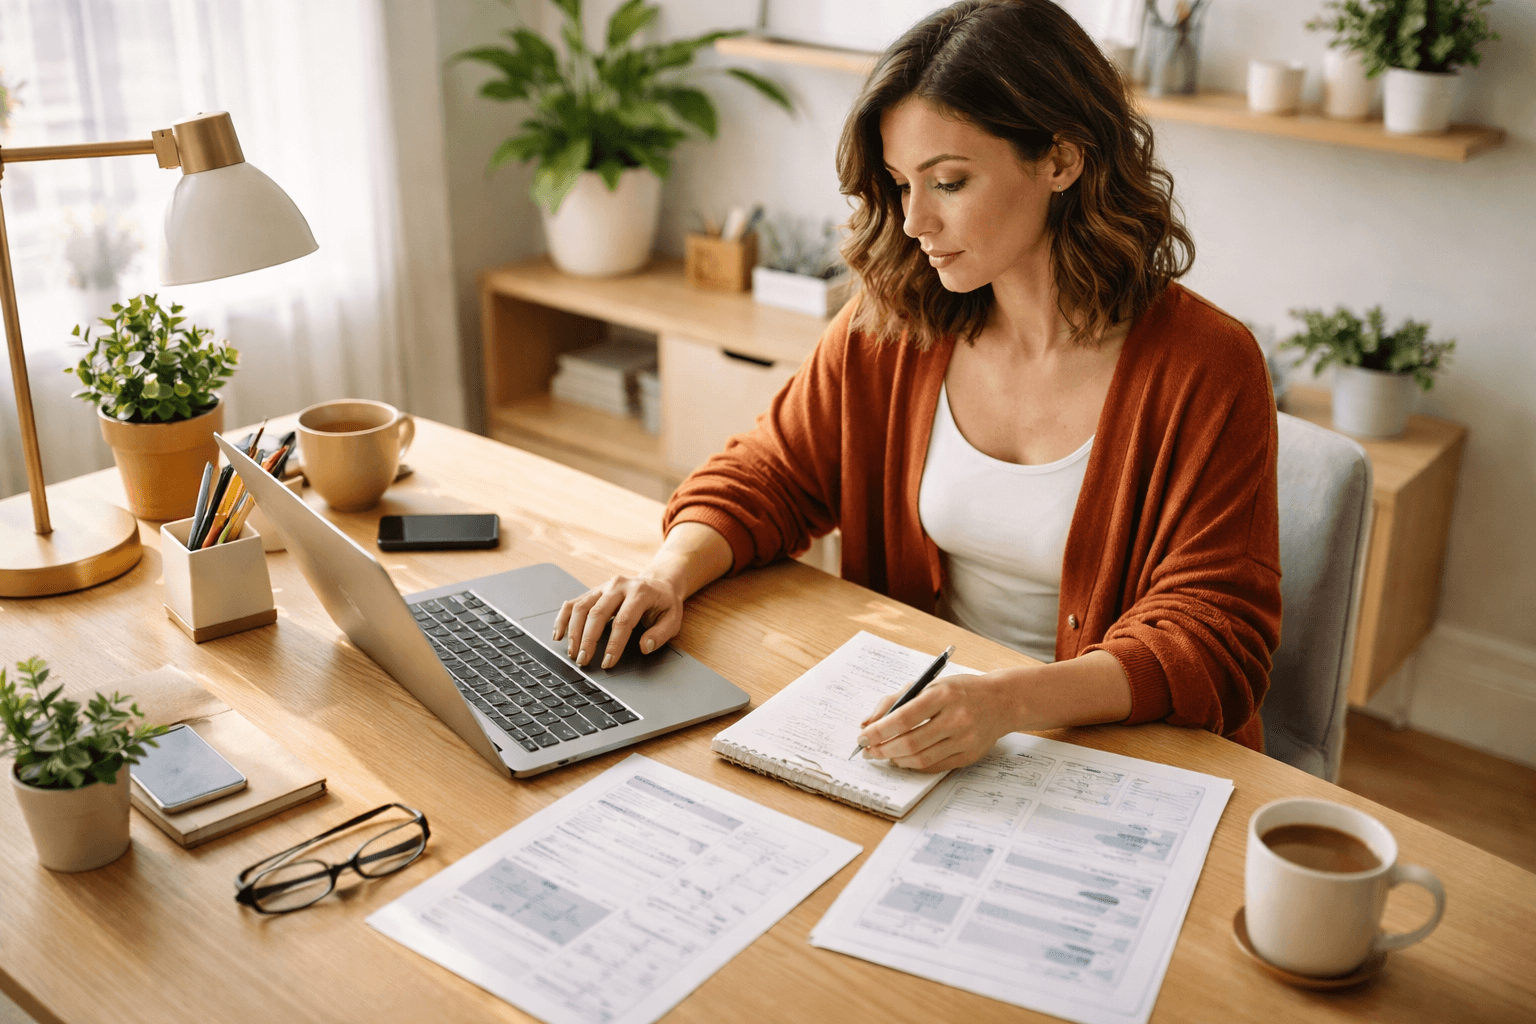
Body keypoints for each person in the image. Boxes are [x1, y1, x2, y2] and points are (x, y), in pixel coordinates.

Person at [553, 0, 1281, 772]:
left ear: (1062, 160)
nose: (913, 221)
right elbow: (771, 472)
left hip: (1113, 754)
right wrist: (667, 575)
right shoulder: (896, 324)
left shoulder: (1208, 364)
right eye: (901, 184)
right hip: (920, 734)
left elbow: (1213, 634)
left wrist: (1007, 703)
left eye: (951, 181)